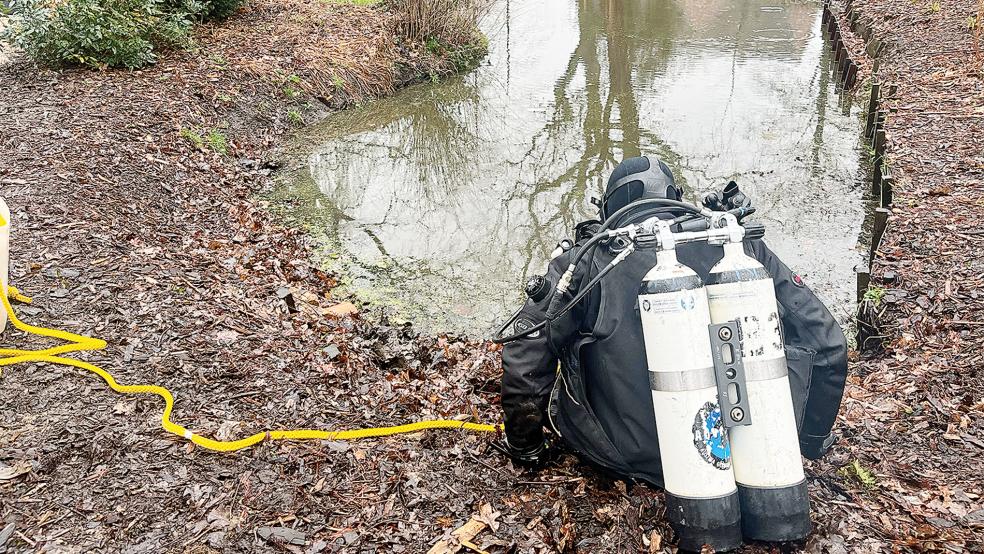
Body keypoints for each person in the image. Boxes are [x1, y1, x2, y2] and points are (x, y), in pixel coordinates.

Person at [498, 155, 847, 484]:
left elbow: (525, 360)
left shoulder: (585, 262)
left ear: (607, 208)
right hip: (747, 449)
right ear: (675, 197)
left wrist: (526, 448)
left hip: (626, 458)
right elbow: (828, 344)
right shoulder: (738, 245)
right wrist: (809, 440)